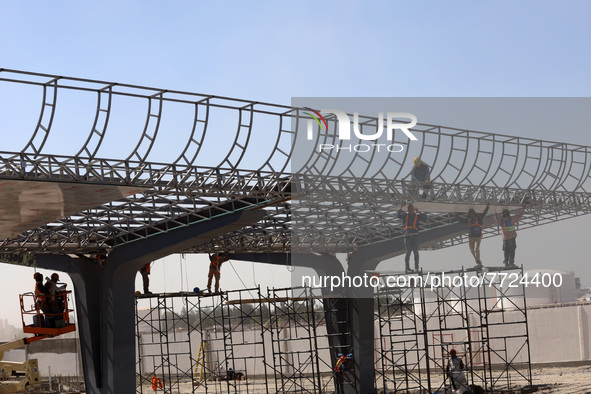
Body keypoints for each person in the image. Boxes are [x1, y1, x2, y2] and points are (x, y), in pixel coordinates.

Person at [455, 203, 490, 269]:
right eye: (470, 214)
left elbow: (483, 214)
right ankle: (478, 262)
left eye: (472, 213)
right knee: (472, 250)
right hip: (471, 237)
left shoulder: (478, 218)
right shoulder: (468, 220)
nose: (471, 215)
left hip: (477, 237)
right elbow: (461, 221)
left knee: (476, 249)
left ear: (474, 213)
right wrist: (457, 215)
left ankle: (478, 263)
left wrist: (487, 207)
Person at [397, 204, 427, 273]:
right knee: (408, 252)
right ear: (408, 210)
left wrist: (418, 211)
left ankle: (416, 267)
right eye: (409, 209)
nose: (411, 210)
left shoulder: (417, 216)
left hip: (415, 236)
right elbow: (398, 215)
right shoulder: (405, 216)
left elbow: (425, 217)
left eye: (412, 209)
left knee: (416, 252)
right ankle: (407, 267)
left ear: (414, 209)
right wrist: (400, 208)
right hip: (407, 236)